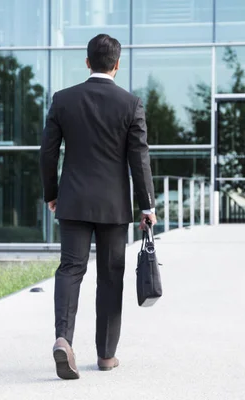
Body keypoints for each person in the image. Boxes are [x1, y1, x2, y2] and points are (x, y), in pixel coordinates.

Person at [39, 33, 157, 380]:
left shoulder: (63, 100)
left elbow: (47, 152)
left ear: (87, 62)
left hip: (73, 201)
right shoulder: (130, 104)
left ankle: (63, 339)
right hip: (113, 207)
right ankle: (106, 355)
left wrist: (52, 192)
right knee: (110, 278)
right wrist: (146, 206)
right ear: (117, 65)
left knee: (70, 270)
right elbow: (140, 159)